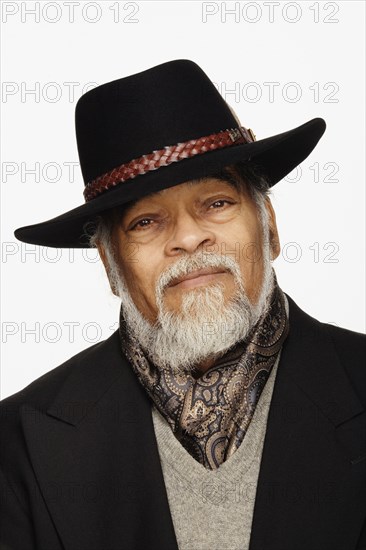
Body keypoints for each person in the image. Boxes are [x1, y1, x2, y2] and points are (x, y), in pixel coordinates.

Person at [1, 60, 365, 550]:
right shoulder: (16, 444)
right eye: (146, 222)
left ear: (270, 227)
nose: (189, 238)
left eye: (216, 202)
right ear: (110, 264)